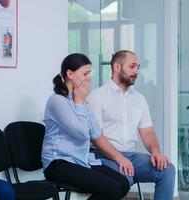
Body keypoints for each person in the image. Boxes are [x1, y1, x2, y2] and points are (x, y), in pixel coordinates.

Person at [41, 53, 130, 200]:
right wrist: (80, 103)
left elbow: (94, 133)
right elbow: (82, 134)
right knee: (112, 188)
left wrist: (82, 101)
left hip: (81, 160)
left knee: (123, 184)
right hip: (58, 164)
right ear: (70, 74)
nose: (89, 77)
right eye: (85, 73)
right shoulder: (57, 101)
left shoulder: (80, 99)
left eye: (90, 73)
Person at [88, 50, 175, 200]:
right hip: (103, 155)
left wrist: (155, 151)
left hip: (131, 156)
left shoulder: (139, 99)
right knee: (124, 176)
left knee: (167, 169)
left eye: (138, 67)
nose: (136, 71)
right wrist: (118, 157)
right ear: (117, 67)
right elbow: (96, 137)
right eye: (132, 66)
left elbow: (148, 132)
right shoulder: (97, 96)